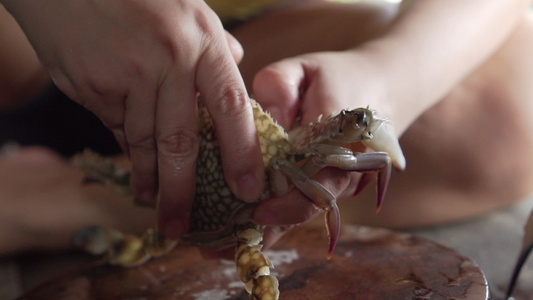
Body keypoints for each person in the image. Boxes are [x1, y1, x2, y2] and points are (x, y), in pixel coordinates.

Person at [1, 0, 533, 256]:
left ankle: (66, 197)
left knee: (507, 112)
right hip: (28, 46)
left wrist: (389, 72)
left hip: (254, 40)